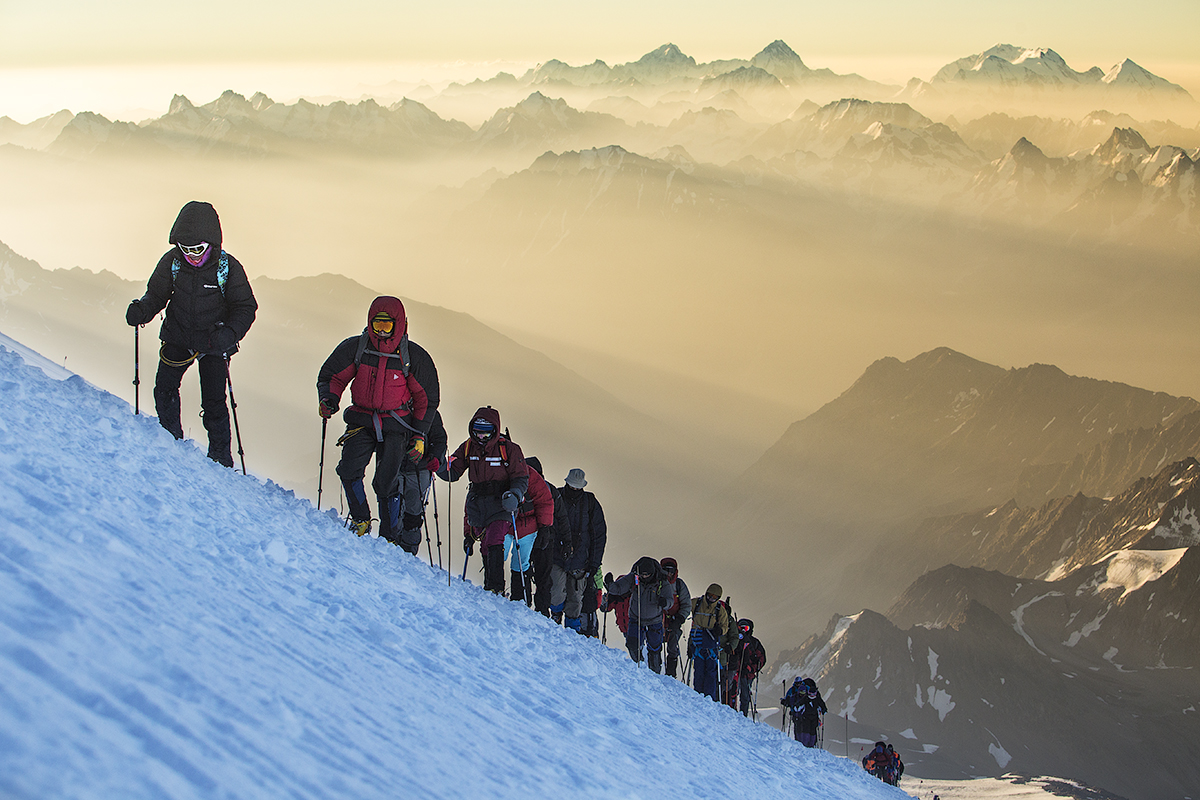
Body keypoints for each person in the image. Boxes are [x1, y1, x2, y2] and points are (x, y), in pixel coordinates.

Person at [125, 201, 257, 467]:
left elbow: (245, 307)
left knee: (214, 403)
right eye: (186, 249)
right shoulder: (172, 263)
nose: (192, 255)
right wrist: (143, 310)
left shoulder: (227, 268)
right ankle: (169, 439)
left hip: (213, 341)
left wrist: (230, 334)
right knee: (164, 388)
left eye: (198, 249)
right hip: (179, 334)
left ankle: (220, 458)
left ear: (211, 243)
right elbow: (157, 295)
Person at [316, 296, 431, 544]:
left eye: (386, 326)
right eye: (376, 324)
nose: (380, 331)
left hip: (397, 426)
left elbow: (426, 399)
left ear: (398, 324)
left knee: (387, 483)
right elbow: (331, 377)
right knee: (348, 470)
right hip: (361, 420)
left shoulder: (413, 357)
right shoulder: (357, 348)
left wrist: (419, 436)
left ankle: (389, 537)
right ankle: (361, 519)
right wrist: (329, 399)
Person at [441, 407, 528, 595]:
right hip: (478, 504)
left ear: (495, 430)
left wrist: (515, 495)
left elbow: (521, 477)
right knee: (484, 543)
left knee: (494, 538)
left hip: (502, 503)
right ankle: (490, 584)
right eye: (477, 431)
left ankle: (495, 586)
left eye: (486, 432)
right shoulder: (468, 447)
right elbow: (454, 470)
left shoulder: (509, 449)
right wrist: (440, 465)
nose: (481, 436)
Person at [552, 468, 606, 634]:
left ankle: (572, 632)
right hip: (557, 556)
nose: (574, 490)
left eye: (577, 487)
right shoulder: (557, 497)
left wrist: (594, 563)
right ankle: (554, 619)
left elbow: (599, 535)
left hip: (581, 561)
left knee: (575, 599)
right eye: (572, 486)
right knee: (556, 593)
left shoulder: (590, 503)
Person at [604, 557, 675, 673]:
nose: (644, 577)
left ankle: (655, 672)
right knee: (632, 644)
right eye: (642, 575)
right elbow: (620, 587)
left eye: (647, 575)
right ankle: (638, 668)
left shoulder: (662, 582)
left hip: (654, 620)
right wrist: (610, 585)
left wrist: (665, 603)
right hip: (636, 618)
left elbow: (670, 600)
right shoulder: (634, 577)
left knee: (655, 649)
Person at [526, 457, 573, 616]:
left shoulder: (521, 487)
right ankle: (542, 609)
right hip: (546, 540)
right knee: (543, 576)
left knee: (526, 571)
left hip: (529, 537)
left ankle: (525, 604)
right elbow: (563, 517)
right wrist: (567, 542)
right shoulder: (550, 489)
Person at [397, 409, 446, 556]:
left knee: (411, 510)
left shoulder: (430, 413)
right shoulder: (395, 403)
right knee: (397, 506)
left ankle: (406, 548)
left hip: (417, 468)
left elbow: (439, 440)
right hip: (403, 467)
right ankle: (402, 545)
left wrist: (436, 457)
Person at [510, 454, 554, 604]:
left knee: (525, 566)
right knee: (524, 566)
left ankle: (523, 599)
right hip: (532, 532)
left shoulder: (545, 489)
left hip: (533, 533)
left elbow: (550, 508)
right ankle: (526, 600)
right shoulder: (549, 489)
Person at [688, 583, 730, 701]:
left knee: (710, 673)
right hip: (699, 643)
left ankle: (708, 698)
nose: (711, 599)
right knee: (700, 671)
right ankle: (699, 696)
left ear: (718, 598)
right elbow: (685, 606)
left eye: (714, 597)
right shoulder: (696, 603)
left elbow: (725, 626)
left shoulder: (719, 610)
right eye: (710, 595)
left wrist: (720, 630)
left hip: (708, 643)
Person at [659, 557, 691, 679]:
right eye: (666, 570)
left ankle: (671, 674)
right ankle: (655, 670)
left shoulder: (679, 585)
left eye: (671, 570)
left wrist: (679, 619)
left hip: (674, 621)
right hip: (658, 619)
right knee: (655, 645)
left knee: (672, 647)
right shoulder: (657, 583)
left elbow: (686, 604)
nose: (669, 573)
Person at [729, 618, 767, 717]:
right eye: (741, 628)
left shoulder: (754, 643)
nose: (743, 630)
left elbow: (761, 659)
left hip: (747, 674)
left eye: (746, 628)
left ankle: (743, 715)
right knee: (732, 692)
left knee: (745, 696)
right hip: (735, 672)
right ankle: (732, 712)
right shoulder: (734, 640)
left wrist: (751, 668)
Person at [782, 677, 827, 747]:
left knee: (803, 729)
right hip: (802, 715)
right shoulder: (803, 690)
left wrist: (787, 703)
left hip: (801, 715)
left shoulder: (794, 691)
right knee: (802, 729)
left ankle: (802, 744)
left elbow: (791, 700)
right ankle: (805, 744)